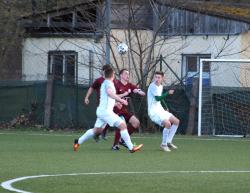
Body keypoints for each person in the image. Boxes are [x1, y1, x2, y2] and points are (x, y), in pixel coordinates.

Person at [74, 68, 143, 153]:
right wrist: (121, 100)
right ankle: (131, 147)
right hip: (106, 111)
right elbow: (109, 93)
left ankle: (78, 141)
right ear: (113, 75)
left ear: (104, 75)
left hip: (102, 110)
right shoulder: (108, 84)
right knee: (123, 125)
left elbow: (106, 99)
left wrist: (115, 104)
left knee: (97, 130)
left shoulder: (104, 83)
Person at [111, 69, 146, 150]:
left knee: (136, 122)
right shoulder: (116, 85)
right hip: (116, 109)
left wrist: (138, 91)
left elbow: (143, 93)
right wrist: (124, 95)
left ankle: (122, 141)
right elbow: (112, 96)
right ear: (121, 75)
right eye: (126, 73)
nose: (128, 75)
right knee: (122, 125)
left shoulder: (130, 85)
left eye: (128, 74)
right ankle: (115, 145)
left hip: (123, 110)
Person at [147, 71, 180, 152]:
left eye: (159, 78)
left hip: (160, 110)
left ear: (162, 79)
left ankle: (168, 142)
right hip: (153, 112)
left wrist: (165, 107)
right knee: (168, 124)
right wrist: (168, 93)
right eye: (155, 77)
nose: (157, 79)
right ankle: (164, 144)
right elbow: (157, 98)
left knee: (176, 121)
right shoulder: (152, 86)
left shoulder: (160, 87)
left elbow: (160, 98)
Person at [85, 64, 118, 142]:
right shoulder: (99, 80)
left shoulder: (112, 81)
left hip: (110, 104)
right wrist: (86, 97)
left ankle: (98, 133)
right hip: (103, 105)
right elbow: (91, 88)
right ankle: (101, 132)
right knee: (109, 119)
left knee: (105, 121)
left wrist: (116, 101)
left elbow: (113, 92)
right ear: (103, 71)